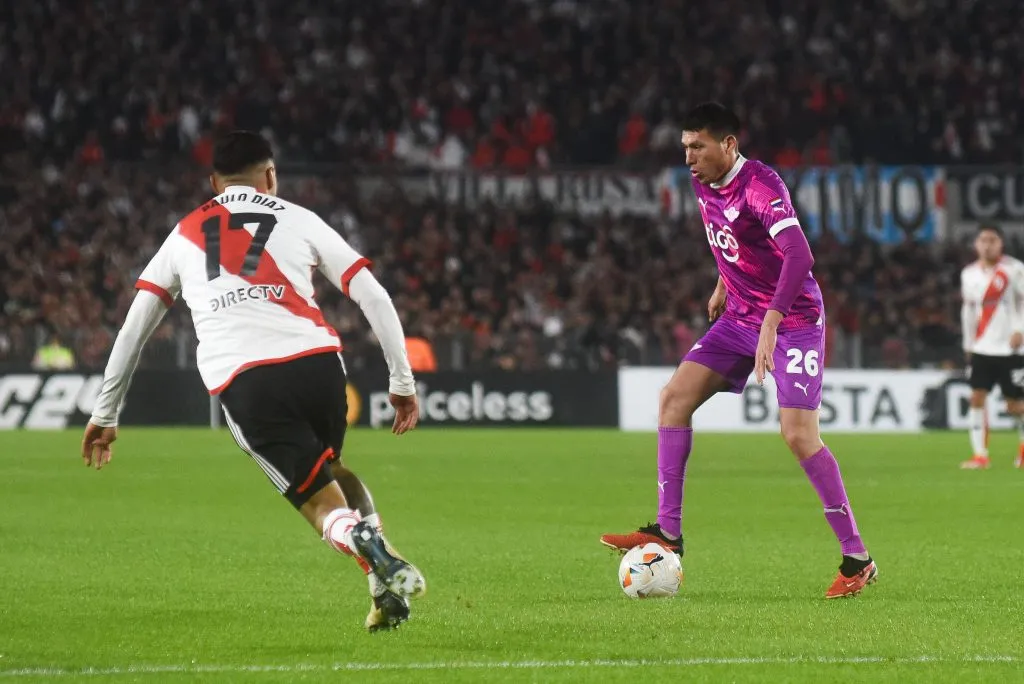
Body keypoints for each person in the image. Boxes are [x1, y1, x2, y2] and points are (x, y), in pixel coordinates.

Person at [80, 131, 425, 631]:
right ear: (270, 176)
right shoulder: (299, 217)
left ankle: (360, 540)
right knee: (331, 469)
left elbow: (135, 327)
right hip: (319, 363)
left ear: (215, 183)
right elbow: (373, 295)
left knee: (320, 506)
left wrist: (105, 413)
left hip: (248, 377)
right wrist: (403, 381)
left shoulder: (184, 233)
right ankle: (383, 591)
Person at [599, 103, 877, 599]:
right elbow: (732, 239)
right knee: (673, 399)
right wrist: (723, 283)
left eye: (698, 146)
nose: (689, 157)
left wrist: (772, 321)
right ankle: (668, 532)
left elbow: (799, 255)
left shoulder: (760, 186)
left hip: (792, 322)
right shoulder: (703, 180)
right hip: (739, 316)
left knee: (798, 435)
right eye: (685, 147)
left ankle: (857, 559)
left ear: (728, 144)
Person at [959, 223, 1024, 470]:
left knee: (1015, 405)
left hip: (1011, 348)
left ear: (1001, 243)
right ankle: (980, 456)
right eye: (983, 240)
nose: (987, 245)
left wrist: (1020, 329)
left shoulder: (1015, 269)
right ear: (976, 244)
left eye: (992, 240)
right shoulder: (968, 274)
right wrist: (968, 343)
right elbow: (968, 310)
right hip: (982, 347)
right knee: (976, 397)